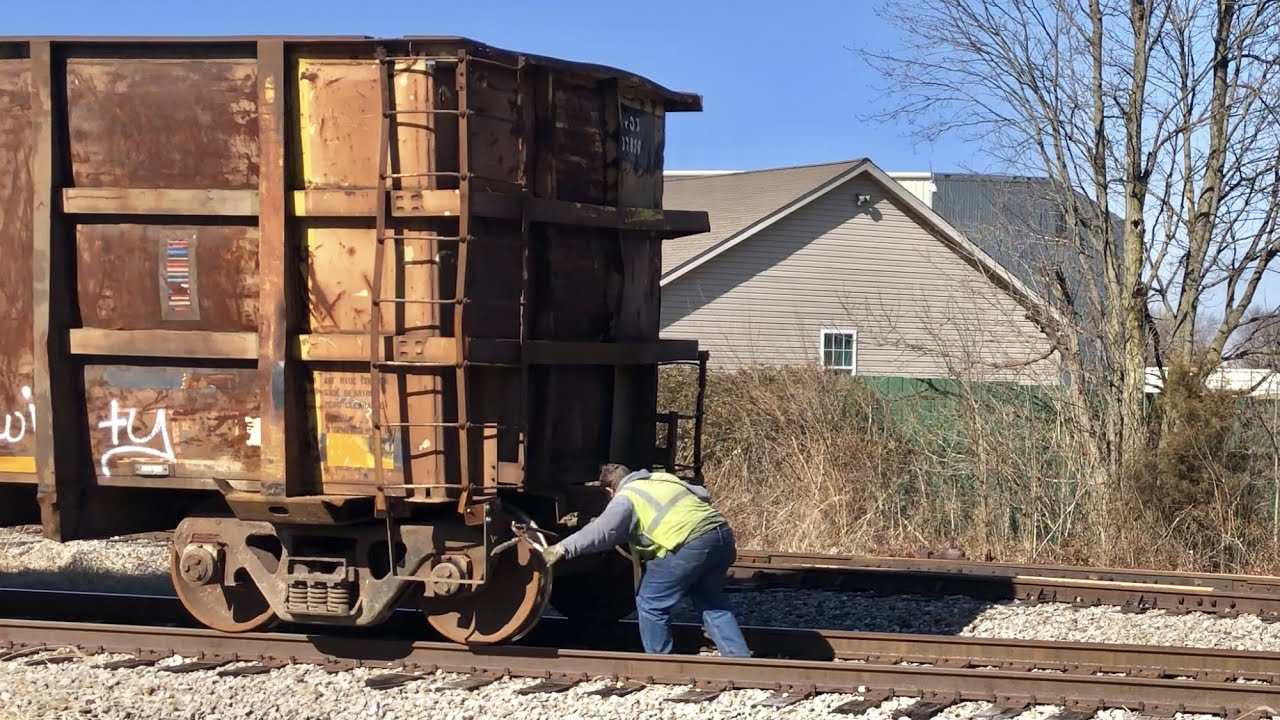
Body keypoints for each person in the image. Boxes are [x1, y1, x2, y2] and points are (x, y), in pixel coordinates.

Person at [540, 463, 751, 658]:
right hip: (721, 536)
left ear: (609, 490)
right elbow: (702, 495)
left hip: (688, 544)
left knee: (651, 603)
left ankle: (658, 661)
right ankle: (738, 659)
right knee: (711, 602)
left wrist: (563, 548)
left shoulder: (627, 495)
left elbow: (603, 531)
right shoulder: (663, 479)